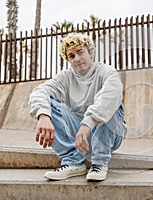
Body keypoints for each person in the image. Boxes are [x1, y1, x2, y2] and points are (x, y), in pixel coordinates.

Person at [29, 32, 126, 181]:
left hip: (110, 136)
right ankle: (73, 162)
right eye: (71, 56)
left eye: (80, 52)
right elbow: (40, 91)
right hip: (79, 135)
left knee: (112, 102)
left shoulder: (106, 72)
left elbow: (109, 96)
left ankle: (99, 163)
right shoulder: (65, 77)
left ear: (91, 52)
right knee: (48, 104)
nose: (77, 59)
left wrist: (88, 123)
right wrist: (43, 115)